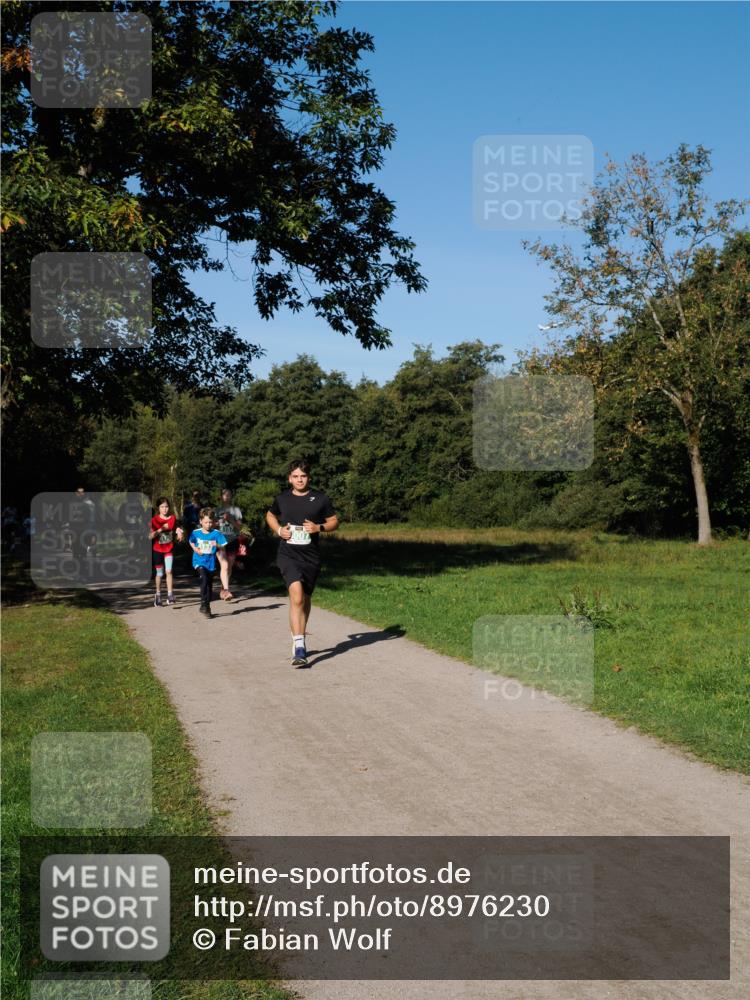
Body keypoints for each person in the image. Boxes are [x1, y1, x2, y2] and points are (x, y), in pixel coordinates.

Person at [266, 459, 339, 666]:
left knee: (305, 599)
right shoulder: (282, 498)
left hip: (311, 557)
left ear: (309, 477)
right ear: (290, 478)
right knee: (296, 596)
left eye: (303, 476)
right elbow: (270, 515)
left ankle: (299, 636)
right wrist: (279, 530)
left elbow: (334, 521)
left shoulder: (320, 499)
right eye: (296, 476)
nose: (299, 480)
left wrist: (319, 528)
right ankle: (299, 647)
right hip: (288, 554)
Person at [188, 507, 227, 617]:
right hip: (199, 561)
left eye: (210, 522)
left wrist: (217, 545)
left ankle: (206, 606)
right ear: (200, 521)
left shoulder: (217, 533)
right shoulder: (196, 533)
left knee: (209, 586)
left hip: (211, 563)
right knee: (204, 580)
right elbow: (191, 541)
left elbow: (223, 547)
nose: (208, 524)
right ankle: (204, 604)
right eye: (205, 522)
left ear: (214, 521)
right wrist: (195, 549)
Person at [150, 496, 183, 606]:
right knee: (160, 573)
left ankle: (170, 595)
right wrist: (161, 529)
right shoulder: (154, 520)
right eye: (162, 507)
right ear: (158, 508)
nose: (165, 509)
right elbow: (150, 536)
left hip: (169, 549)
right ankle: (158, 595)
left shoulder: (172, 518)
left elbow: (176, 527)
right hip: (157, 550)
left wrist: (179, 532)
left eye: (167, 507)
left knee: (169, 571)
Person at [214, 487, 243, 601]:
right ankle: (226, 590)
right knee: (224, 565)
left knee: (229, 567)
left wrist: (230, 519)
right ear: (221, 497)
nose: (227, 496)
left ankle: (223, 589)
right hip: (220, 541)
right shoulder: (216, 511)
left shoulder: (236, 510)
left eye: (229, 494)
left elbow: (240, 527)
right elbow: (210, 526)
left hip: (232, 540)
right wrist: (217, 523)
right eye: (224, 494)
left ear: (231, 496)